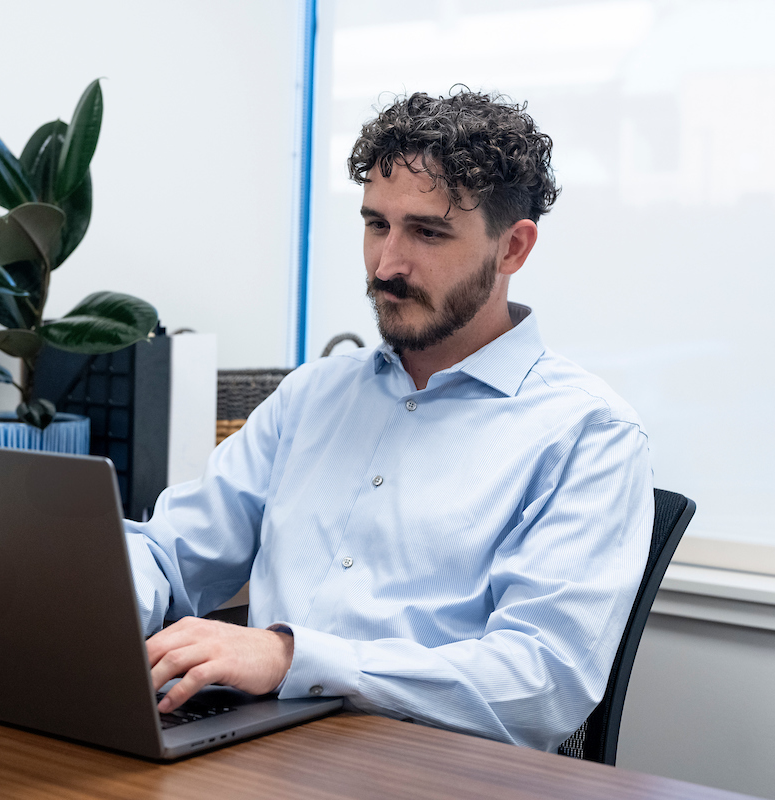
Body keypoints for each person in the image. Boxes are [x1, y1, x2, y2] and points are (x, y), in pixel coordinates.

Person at [124, 89, 654, 752]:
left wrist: (293, 659)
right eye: (377, 224)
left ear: (512, 249)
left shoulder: (589, 433)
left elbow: (541, 685)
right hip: (261, 751)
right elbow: (172, 553)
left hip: (431, 772)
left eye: (427, 232)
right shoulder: (313, 395)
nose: (386, 264)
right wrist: (92, 588)